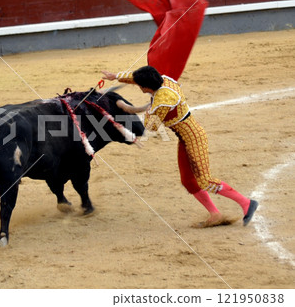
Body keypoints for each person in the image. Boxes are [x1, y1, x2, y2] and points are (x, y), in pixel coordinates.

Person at [101, 66, 258, 227]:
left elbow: (152, 127)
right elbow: (139, 77)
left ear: (146, 87)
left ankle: (246, 203)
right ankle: (215, 214)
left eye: (141, 86)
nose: (139, 87)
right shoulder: (163, 80)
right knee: (188, 181)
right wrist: (116, 76)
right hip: (184, 138)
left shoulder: (162, 101)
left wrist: (149, 110)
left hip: (194, 138)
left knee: (205, 181)